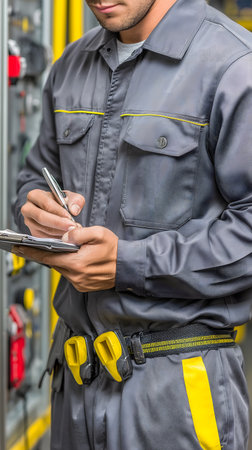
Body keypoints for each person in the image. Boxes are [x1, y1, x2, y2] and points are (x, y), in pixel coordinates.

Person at [12, 0, 252, 448]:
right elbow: (33, 175)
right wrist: (35, 208)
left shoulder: (234, 66)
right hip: (74, 384)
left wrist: (129, 263)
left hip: (175, 393)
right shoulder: (70, 67)